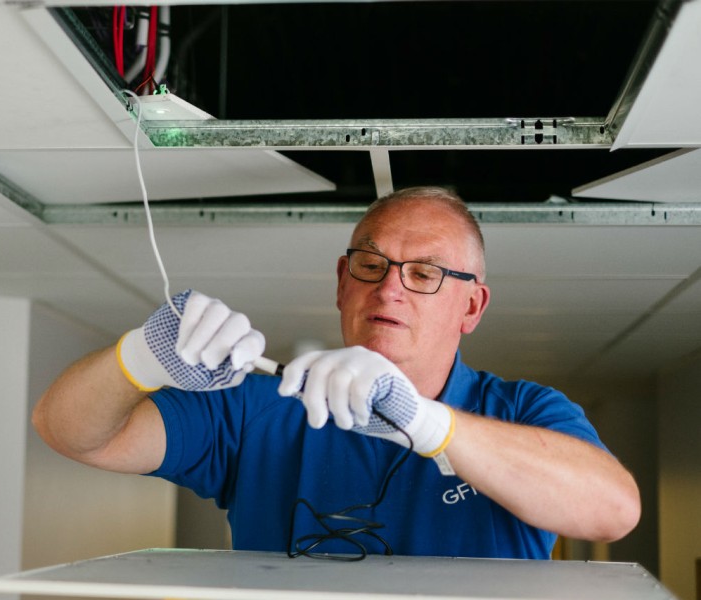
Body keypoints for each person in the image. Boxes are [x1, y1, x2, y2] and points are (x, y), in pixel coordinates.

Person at [33, 186, 640, 559]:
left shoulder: (525, 411)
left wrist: (427, 424)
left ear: (472, 307)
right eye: (371, 265)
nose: (390, 290)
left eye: (424, 274)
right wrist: (139, 359)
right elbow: (68, 431)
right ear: (343, 284)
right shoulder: (254, 406)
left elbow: (613, 511)